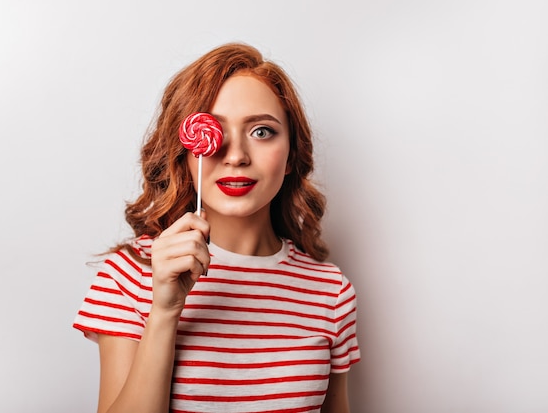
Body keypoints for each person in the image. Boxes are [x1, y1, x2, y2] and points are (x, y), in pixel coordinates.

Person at [73, 42, 360, 413]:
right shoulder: (130, 275)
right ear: (185, 153)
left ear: (291, 155)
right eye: (215, 131)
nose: (237, 155)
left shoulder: (330, 291)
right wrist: (164, 312)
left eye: (261, 132)